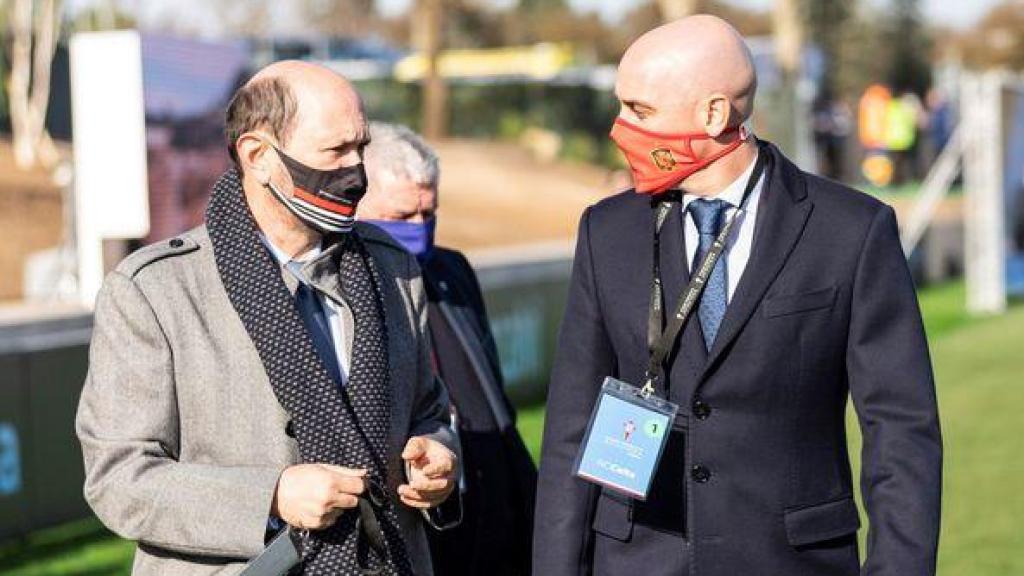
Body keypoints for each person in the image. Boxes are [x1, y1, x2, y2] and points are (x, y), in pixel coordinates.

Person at [534, 15, 941, 576]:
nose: (619, 128)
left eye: (639, 110)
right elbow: (570, 428)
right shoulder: (606, 231)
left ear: (715, 114)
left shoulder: (850, 230)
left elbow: (901, 429)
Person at [76, 61, 460, 576]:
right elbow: (118, 478)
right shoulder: (154, 292)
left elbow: (431, 410)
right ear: (257, 156)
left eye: (360, 148)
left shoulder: (393, 269)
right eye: (335, 151)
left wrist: (438, 454)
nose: (356, 173)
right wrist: (272, 497)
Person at [358, 122, 537, 576]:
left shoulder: (451, 270)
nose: (420, 229)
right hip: (416, 521)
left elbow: (492, 395)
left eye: (429, 214)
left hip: (493, 503)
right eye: (401, 217)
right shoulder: (349, 289)